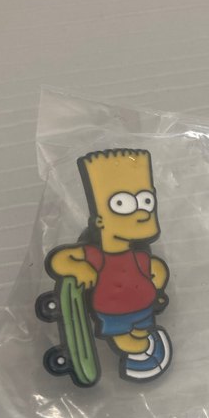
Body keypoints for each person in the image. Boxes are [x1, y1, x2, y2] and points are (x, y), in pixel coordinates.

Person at [47, 149, 172, 382]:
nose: (141, 213)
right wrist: (80, 269)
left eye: (146, 202)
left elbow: (155, 268)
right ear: (100, 220)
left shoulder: (138, 254)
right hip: (114, 312)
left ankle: (148, 353)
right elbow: (59, 260)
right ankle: (143, 356)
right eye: (122, 204)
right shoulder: (96, 255)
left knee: (142, 333)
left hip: (144, 306)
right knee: (126, 340)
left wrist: (157, 284)